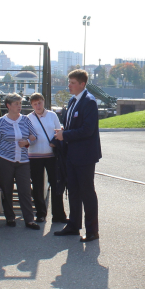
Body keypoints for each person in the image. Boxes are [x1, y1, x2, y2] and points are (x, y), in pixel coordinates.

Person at [54, 69, 102, 242]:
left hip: (85, 155)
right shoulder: (73, 100)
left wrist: (65, 135)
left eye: (73, 83)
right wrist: (63, 131)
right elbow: (72, 124)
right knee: (73, 191)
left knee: (86, 192)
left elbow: (87, 130)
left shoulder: (89, 102)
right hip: (71, 154)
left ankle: (92, 231)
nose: (69, 85)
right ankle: (73, 225)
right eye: (69, 82)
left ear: (82, 84)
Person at [0, 93, 39, 229]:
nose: (19, 106)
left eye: (20, 103)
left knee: (25, 190)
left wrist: (27, 142)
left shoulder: (25, 120)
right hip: (5, 159)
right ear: (8, 106)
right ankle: (10, 217)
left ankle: (29, 219)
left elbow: (35, 136)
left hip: (23, 160)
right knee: (7, 190)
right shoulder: (1, 122)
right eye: (16, 104)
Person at [27, 92, 66, 223]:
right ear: (32, 105)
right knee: (37, 185)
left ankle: (58, 214)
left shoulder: (52, 115)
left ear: (43, 102)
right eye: (35, 104)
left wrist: (54, 142)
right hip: (34, 155)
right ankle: (40, 213)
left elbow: (58, 131)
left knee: (56, 184)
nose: (38, 106)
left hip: (51, 155)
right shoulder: (28, 118)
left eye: (39, 103)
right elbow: (25, 135)